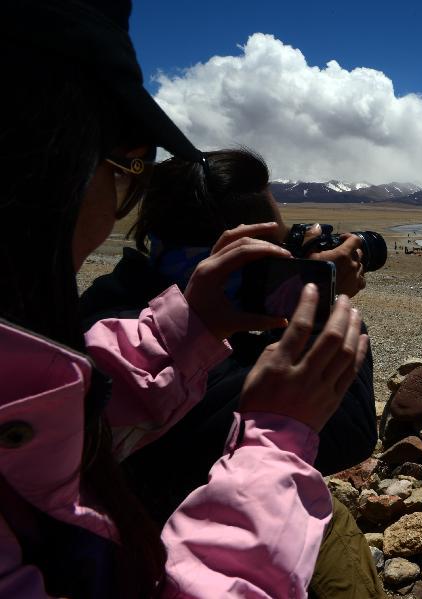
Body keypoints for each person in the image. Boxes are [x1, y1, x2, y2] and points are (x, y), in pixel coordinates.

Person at [1, 1, 365, 597]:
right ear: (44, 164)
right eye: (122, 167)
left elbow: (63, 408)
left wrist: (186, 329)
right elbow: (348, 435)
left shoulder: (83, 315)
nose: (114, 203)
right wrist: (278, 429)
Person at [80, 149, 386, 598]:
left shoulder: (107, 312)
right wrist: (322, 296)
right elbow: (350, 430)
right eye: (276, 244)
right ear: (238, 250)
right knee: (331, 534)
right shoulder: (190, 366)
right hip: (174, 540)